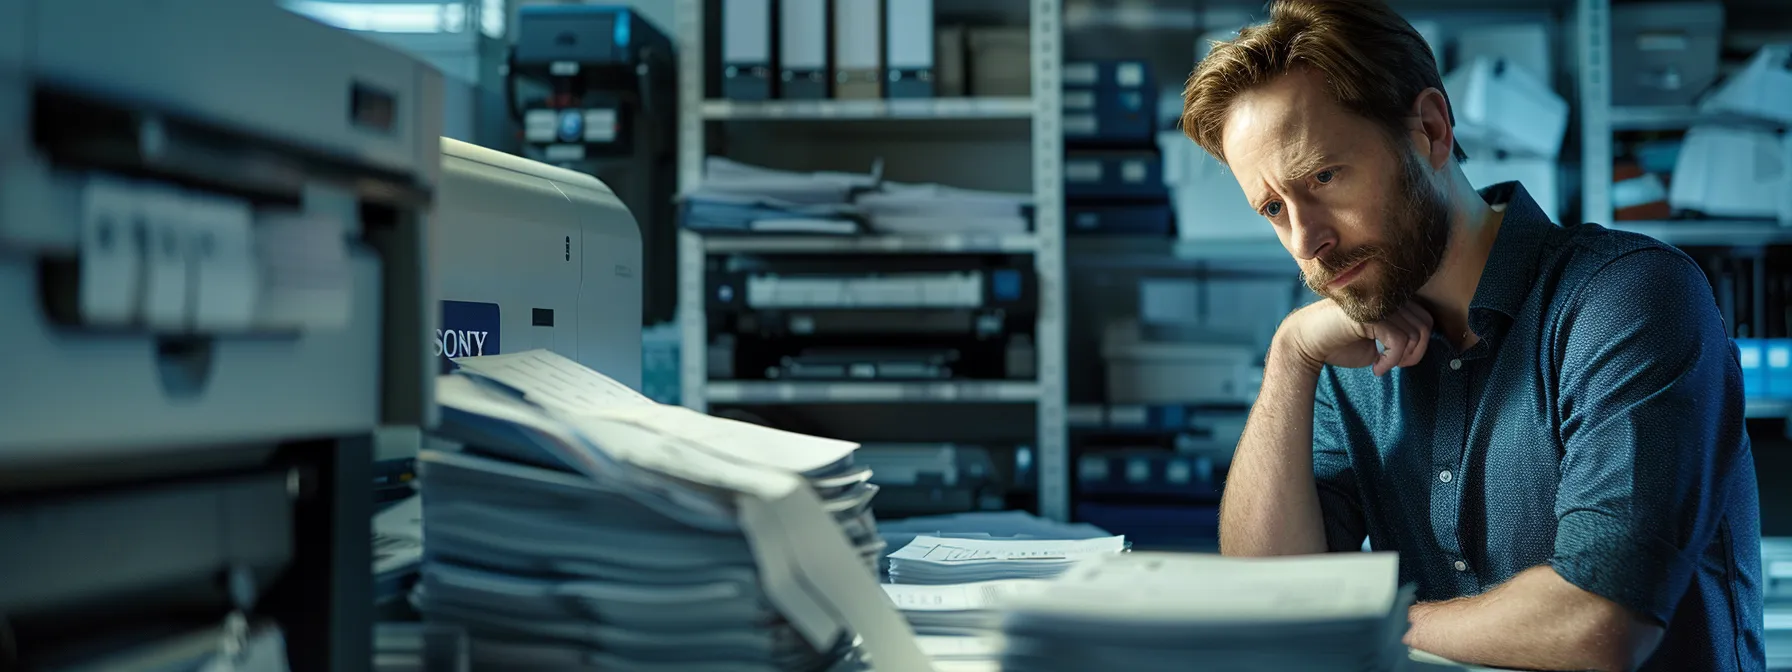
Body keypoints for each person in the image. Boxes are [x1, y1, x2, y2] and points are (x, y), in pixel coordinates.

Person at [1179, 1, 1764, 670]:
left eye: (1323, 177)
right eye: (1274, 209)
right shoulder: (1345, 340)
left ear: (1429, 129)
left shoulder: (1628, 297)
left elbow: (1598, 625)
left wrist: (1356, 615)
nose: (1307, 241)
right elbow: (1268, 599)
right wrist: (1289, 356)